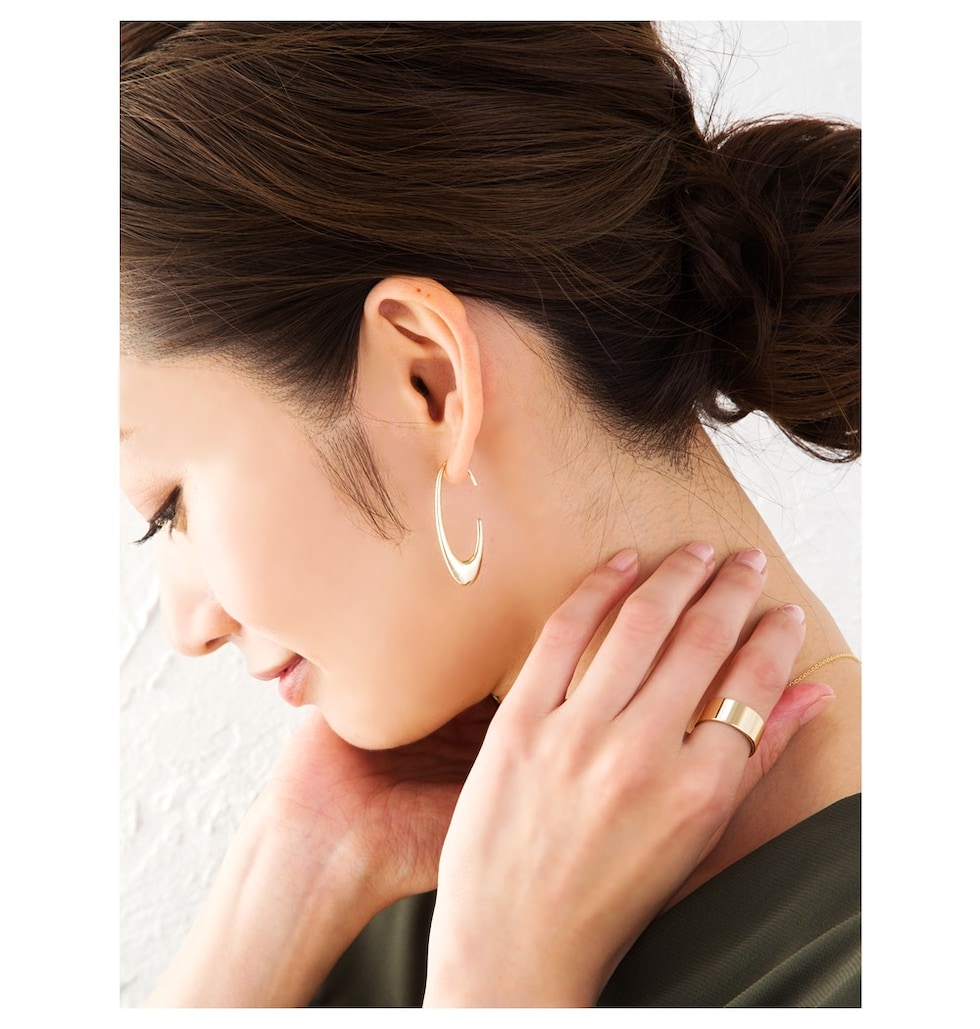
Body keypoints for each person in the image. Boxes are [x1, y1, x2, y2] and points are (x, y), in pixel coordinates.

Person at [120, 21, 860, 1007]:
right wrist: (288, 885)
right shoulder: (367, 883)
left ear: (427, 381)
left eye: (169, 504)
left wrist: (497, 980)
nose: (189, 625)